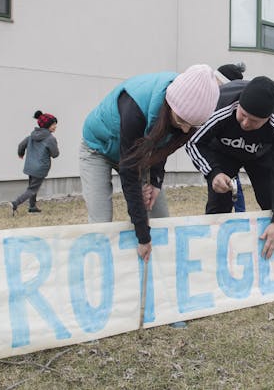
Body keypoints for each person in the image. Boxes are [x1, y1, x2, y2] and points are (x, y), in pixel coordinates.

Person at [80, 64, 219, 261]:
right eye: (181, 120)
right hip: (98, 148)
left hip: (139, 150)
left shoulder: (183, 117)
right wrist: (143, 236)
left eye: (192, 125)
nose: (186, 130)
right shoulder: (136, 106)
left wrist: (155, 182)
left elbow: (161, 146)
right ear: (170, 105)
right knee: (101, 221)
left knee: (159, 213)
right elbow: (129, 172)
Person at [186, 76, 274, 259]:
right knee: (219, 201)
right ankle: (214, 252)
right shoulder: (219, 105)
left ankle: (271, 248)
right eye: (243, 115)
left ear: (268, 118)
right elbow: (193, 142)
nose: (246, 123)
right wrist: (213, 173)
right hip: (223, 151)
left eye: (254, 121)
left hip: (262, 154)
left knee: (270, 199)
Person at [11, 110, 60, 215]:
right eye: (53, 124)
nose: (55, 126)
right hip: (40, 168)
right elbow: (55, 154)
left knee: (32, 187)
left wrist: (21, 154)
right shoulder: (50, 138)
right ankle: (15, 203)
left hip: (30, 166)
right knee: (32, 189)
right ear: (47, 126)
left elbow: (21, 145)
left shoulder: (32, 136)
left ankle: (32, 207)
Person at [215, 62, 247, 212]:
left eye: (217, 81)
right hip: (217, 151)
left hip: (229, 151)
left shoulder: (231, 104)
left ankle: (240, 213)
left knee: (232, 183)